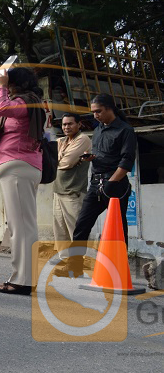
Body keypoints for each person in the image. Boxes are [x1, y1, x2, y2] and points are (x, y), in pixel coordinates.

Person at [60, 94, 136, 277]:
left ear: (110, 108)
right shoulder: (99, 129)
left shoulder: (125, 130)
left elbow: (126, 162)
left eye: (98, 111)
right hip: (95, 183)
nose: (95, 115)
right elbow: (102, 153)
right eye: (93, 112)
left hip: (115, 185)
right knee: (81, 225)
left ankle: (118, 270)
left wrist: (112, 182)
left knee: (118, 228)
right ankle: (75, 266)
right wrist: (91, 156)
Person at [0, 67, 45, 295]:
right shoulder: (25, 101)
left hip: (19, 166)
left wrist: (1, 87)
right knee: (19, 225)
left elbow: (3, 109)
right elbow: (1, 111)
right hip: (16, 167)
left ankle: (23, 280)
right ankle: (24, 277)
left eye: (9, 83)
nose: (6, 87)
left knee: (22, 227)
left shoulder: (27, 102)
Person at [51, 113, 91, 264]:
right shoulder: (62, 141)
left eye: (70, 124)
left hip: (74, 191)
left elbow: (67, 163)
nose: (66, 127)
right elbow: (50, 158)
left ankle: (78, 259)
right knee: (60, 228)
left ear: (79, 124)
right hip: (58, 190)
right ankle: (64, 258)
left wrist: (57, 160)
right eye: (64, 124)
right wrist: (58, 159)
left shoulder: (83, 139)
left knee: (76, 228)